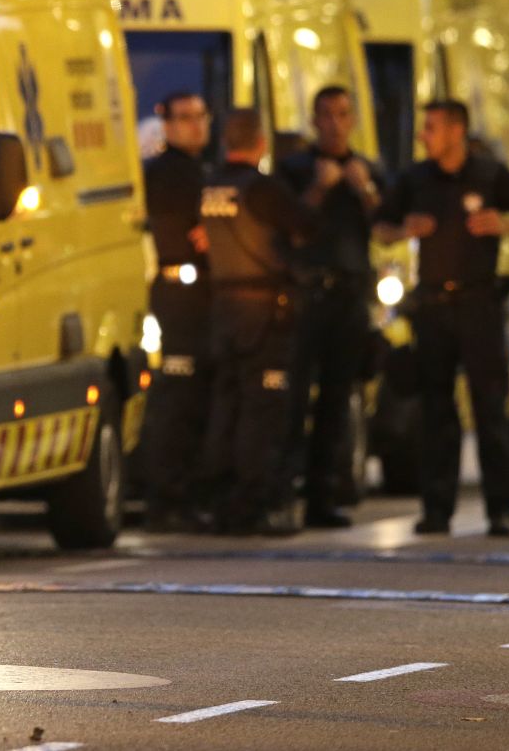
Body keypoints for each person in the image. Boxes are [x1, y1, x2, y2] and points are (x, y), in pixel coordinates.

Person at [373, 100, 509, 537]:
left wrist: (505, 225)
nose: (424, 136)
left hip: (479, 305)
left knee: (490, 407)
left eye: (432, 128)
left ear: (457, 131)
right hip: (434, 306)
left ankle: (501, 510)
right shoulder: (415, 179)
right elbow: (380, 225)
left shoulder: (488, 174)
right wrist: (405, 231)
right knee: (437, 412)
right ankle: (437, 510)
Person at [200, 108, 317, 536]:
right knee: (263, 409)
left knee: (225, 405)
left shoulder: (210, 185)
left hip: (223, 308)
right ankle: (255, 502)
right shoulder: (263, 189)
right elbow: (308, 225)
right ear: (261, 142)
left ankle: (219, 499)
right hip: (264, 311)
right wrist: (321, 188)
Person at [277, 85, 383, 528]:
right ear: (314, 120)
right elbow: (287, 226)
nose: (335, 123)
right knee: (292, 399)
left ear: (353, 119)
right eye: (327, 115)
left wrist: (365, 191)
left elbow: (387, 224)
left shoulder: (367, 170)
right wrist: (320, 190)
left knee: (337, 401)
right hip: (307, 296)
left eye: (343, 114)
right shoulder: (296, 169)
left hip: (350, 296)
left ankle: (323, 497)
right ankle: (282, 496)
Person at [140, 92, 213, 533]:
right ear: (165, 123)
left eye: (200, 117)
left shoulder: (199, 170)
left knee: (193, 399)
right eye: (184, 118)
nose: (194, 126)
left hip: (200, 295)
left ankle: (181, 494)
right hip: (177, 296)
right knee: (177, 399)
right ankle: (168, 496)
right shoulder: (165, 174)